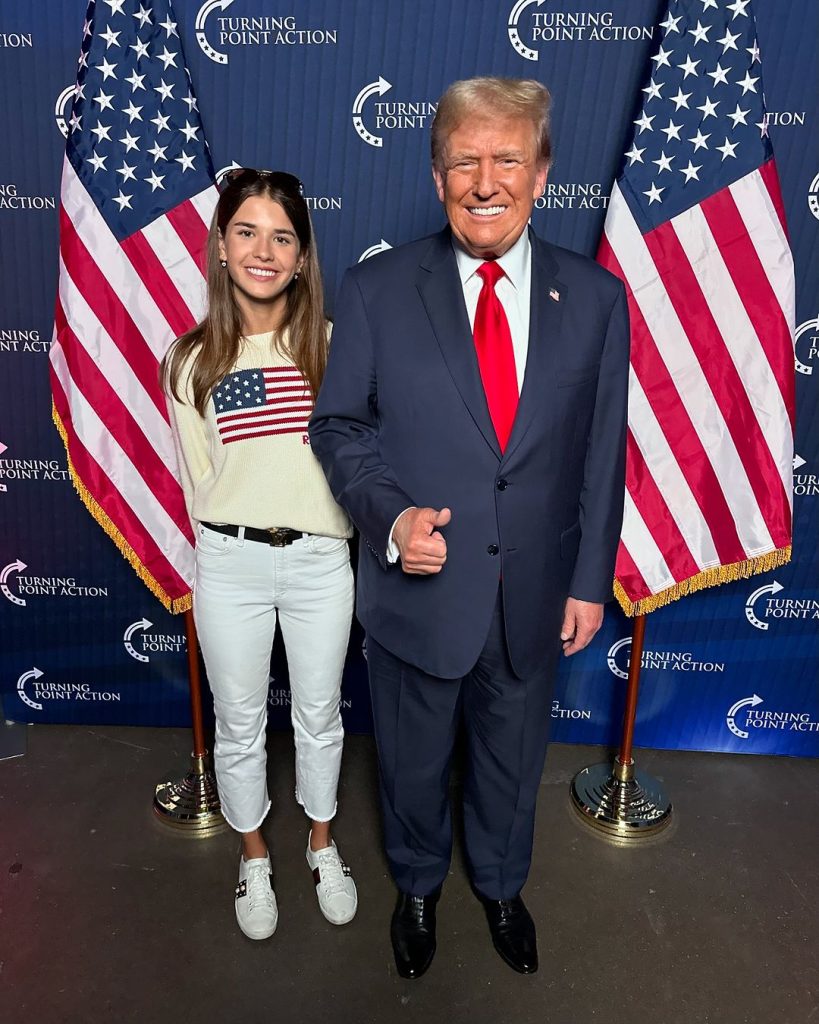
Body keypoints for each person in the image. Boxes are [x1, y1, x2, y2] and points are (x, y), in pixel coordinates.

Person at [309, 78, 629, 977]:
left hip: (534, 593)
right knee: (410, 764)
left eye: (507, 159)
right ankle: (416, 886)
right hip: (418, 592)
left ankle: (498, 885)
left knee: (510, 761)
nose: (485, 182)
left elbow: (601, 453)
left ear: (542, 172)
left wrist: (587, 581)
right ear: (436, 173)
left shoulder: (596, 299)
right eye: (464, 161)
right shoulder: (376, 290)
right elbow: (338, 428)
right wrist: (391, 517)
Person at [163, 168, 357, 941]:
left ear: (303, 257)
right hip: (230, 564)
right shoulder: (189, 360)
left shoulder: (336, 349)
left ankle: (321, 844)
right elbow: (201, 480)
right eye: (246, 232)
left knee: (319, 715)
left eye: (282, 238)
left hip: (319, 562)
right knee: (238, 721)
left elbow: (356, 462)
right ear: (221, 246)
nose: (263, 251)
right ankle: (253, 856)